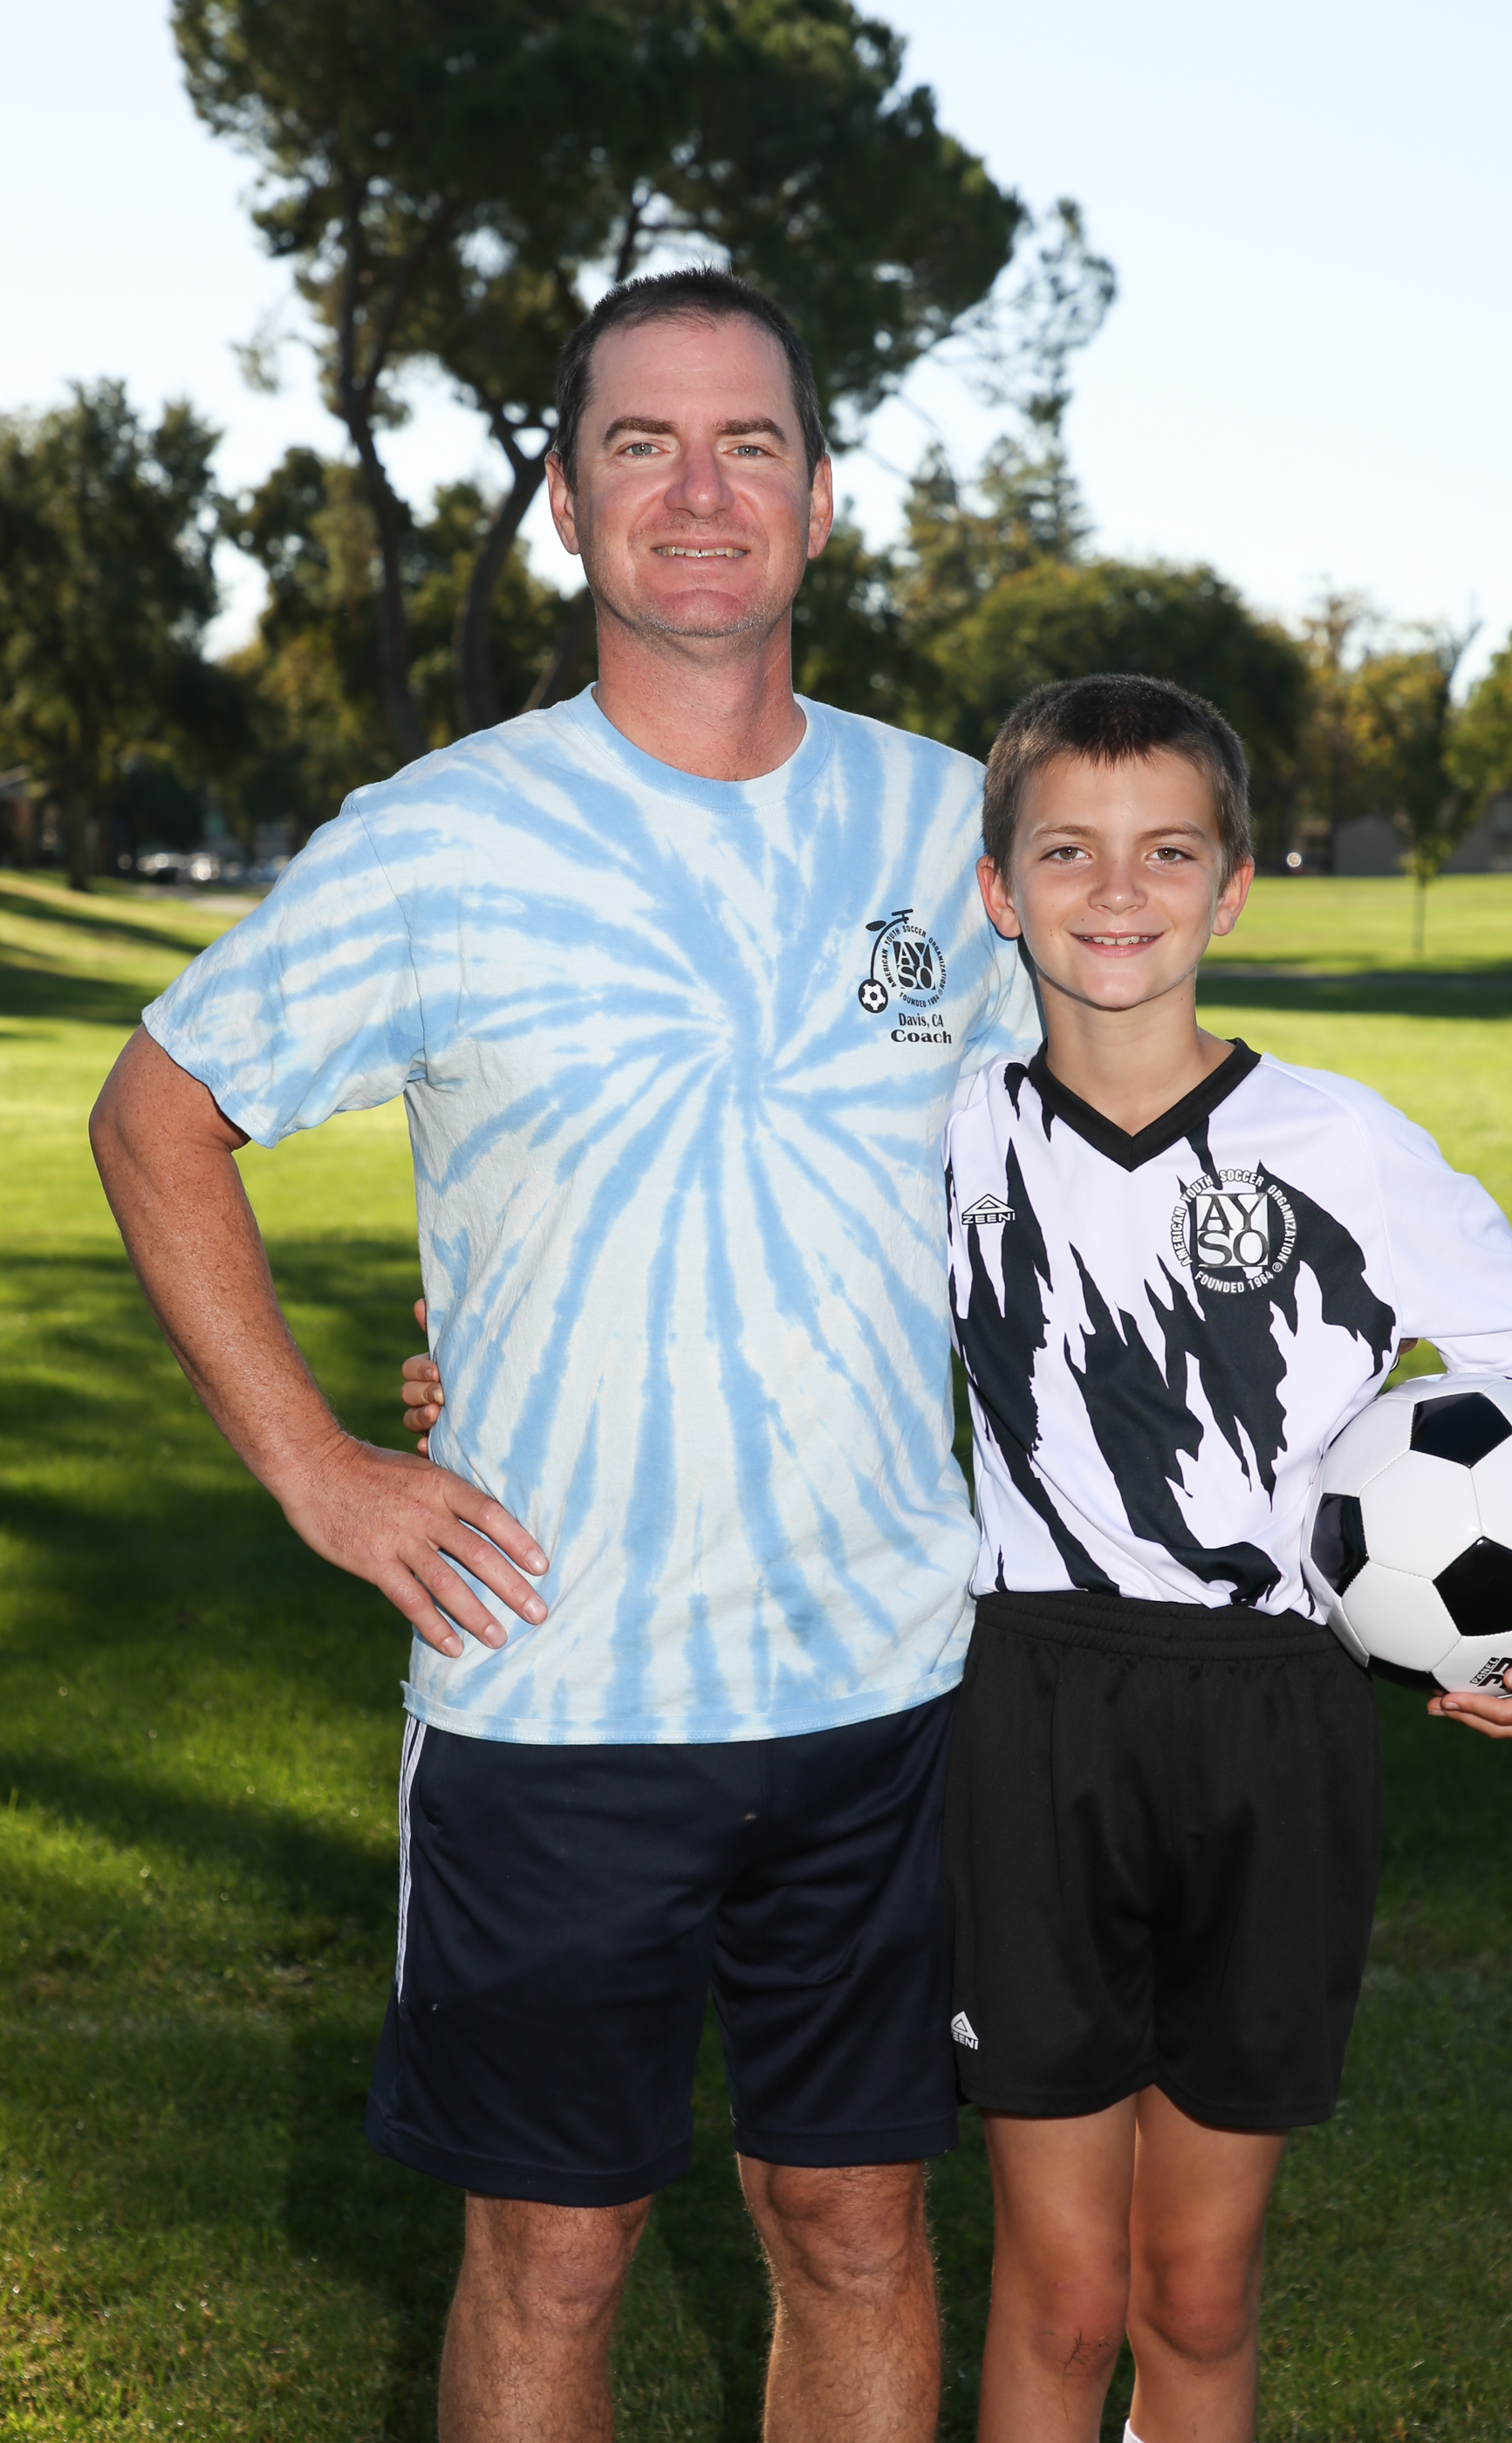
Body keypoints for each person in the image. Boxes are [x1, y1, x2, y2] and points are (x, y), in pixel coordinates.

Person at [88, 266, 1036, 2443]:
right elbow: (158, 1115)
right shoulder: (440, 833)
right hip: (555, 1682)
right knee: (553, 2252)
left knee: (857, 2225)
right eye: (641, 444)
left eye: (747, 442)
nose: (698, 490)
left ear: (820, 497)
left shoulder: (948, 829)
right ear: (563, 498)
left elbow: (1075, 1157)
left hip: (892, 1675)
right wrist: (323, 1464)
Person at [925, 671, 1512, 2442]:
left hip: (1278, 1720)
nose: (1120, 889)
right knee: (1061, 2291)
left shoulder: (1338, 1143)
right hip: (1030, 1712)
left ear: (1236, 886)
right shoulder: (944, 1133)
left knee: (1196, 2287)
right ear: (999, 891)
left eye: (1169, 850)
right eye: (1069, 850)